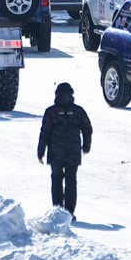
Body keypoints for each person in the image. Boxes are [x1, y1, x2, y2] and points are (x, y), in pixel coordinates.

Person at [36, 83, 92, 221]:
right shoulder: (79, 111)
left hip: (56, 152)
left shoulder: (51, 112)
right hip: (73, 152)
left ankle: (57, 211)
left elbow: (45, 132)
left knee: (56, 179)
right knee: (71, 181)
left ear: (57, 95)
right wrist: (86, 146)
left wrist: (41, 151)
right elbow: (87, 129)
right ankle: (69, 213)